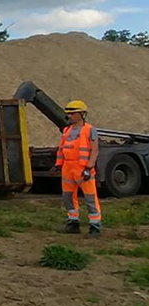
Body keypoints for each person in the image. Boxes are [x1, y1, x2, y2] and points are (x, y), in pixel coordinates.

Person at [54, 100, 101, 236]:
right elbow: (62, 149)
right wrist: (58, 165)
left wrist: (89, 167)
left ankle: (95, 226)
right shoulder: (67, 130)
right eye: (69, 113)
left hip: (83, 169)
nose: (70, 116)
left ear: (81, 114)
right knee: (67, 197)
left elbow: (95, 150)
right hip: (68, 168)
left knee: (90, 198)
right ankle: (73, 223)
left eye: (73, 113)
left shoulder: (89, 130)